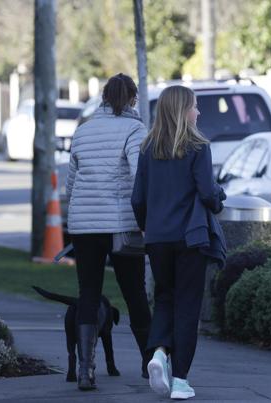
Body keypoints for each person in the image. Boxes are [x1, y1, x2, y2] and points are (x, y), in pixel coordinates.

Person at [131, 85, 226, 400]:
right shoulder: (198, 146)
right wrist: (219, 199)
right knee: (187, 306)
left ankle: (158, 352)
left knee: (165, 298)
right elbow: (208, 193)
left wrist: (147, 228)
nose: (198, 112)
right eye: (195, 107)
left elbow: (137, 199)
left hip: (157, 238)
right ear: (183, 110)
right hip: (190, 237)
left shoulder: (148, 148)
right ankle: (181, 380)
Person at [65, 73, 152, 390]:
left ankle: (86, 370)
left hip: (84, 226)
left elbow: (71, 183)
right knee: (134, 292)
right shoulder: (135, 128)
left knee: (88, 292)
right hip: (123, 226)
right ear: (132, 99)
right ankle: (150, 363)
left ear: (103, 99)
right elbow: (138, 173)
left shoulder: (83, 131)